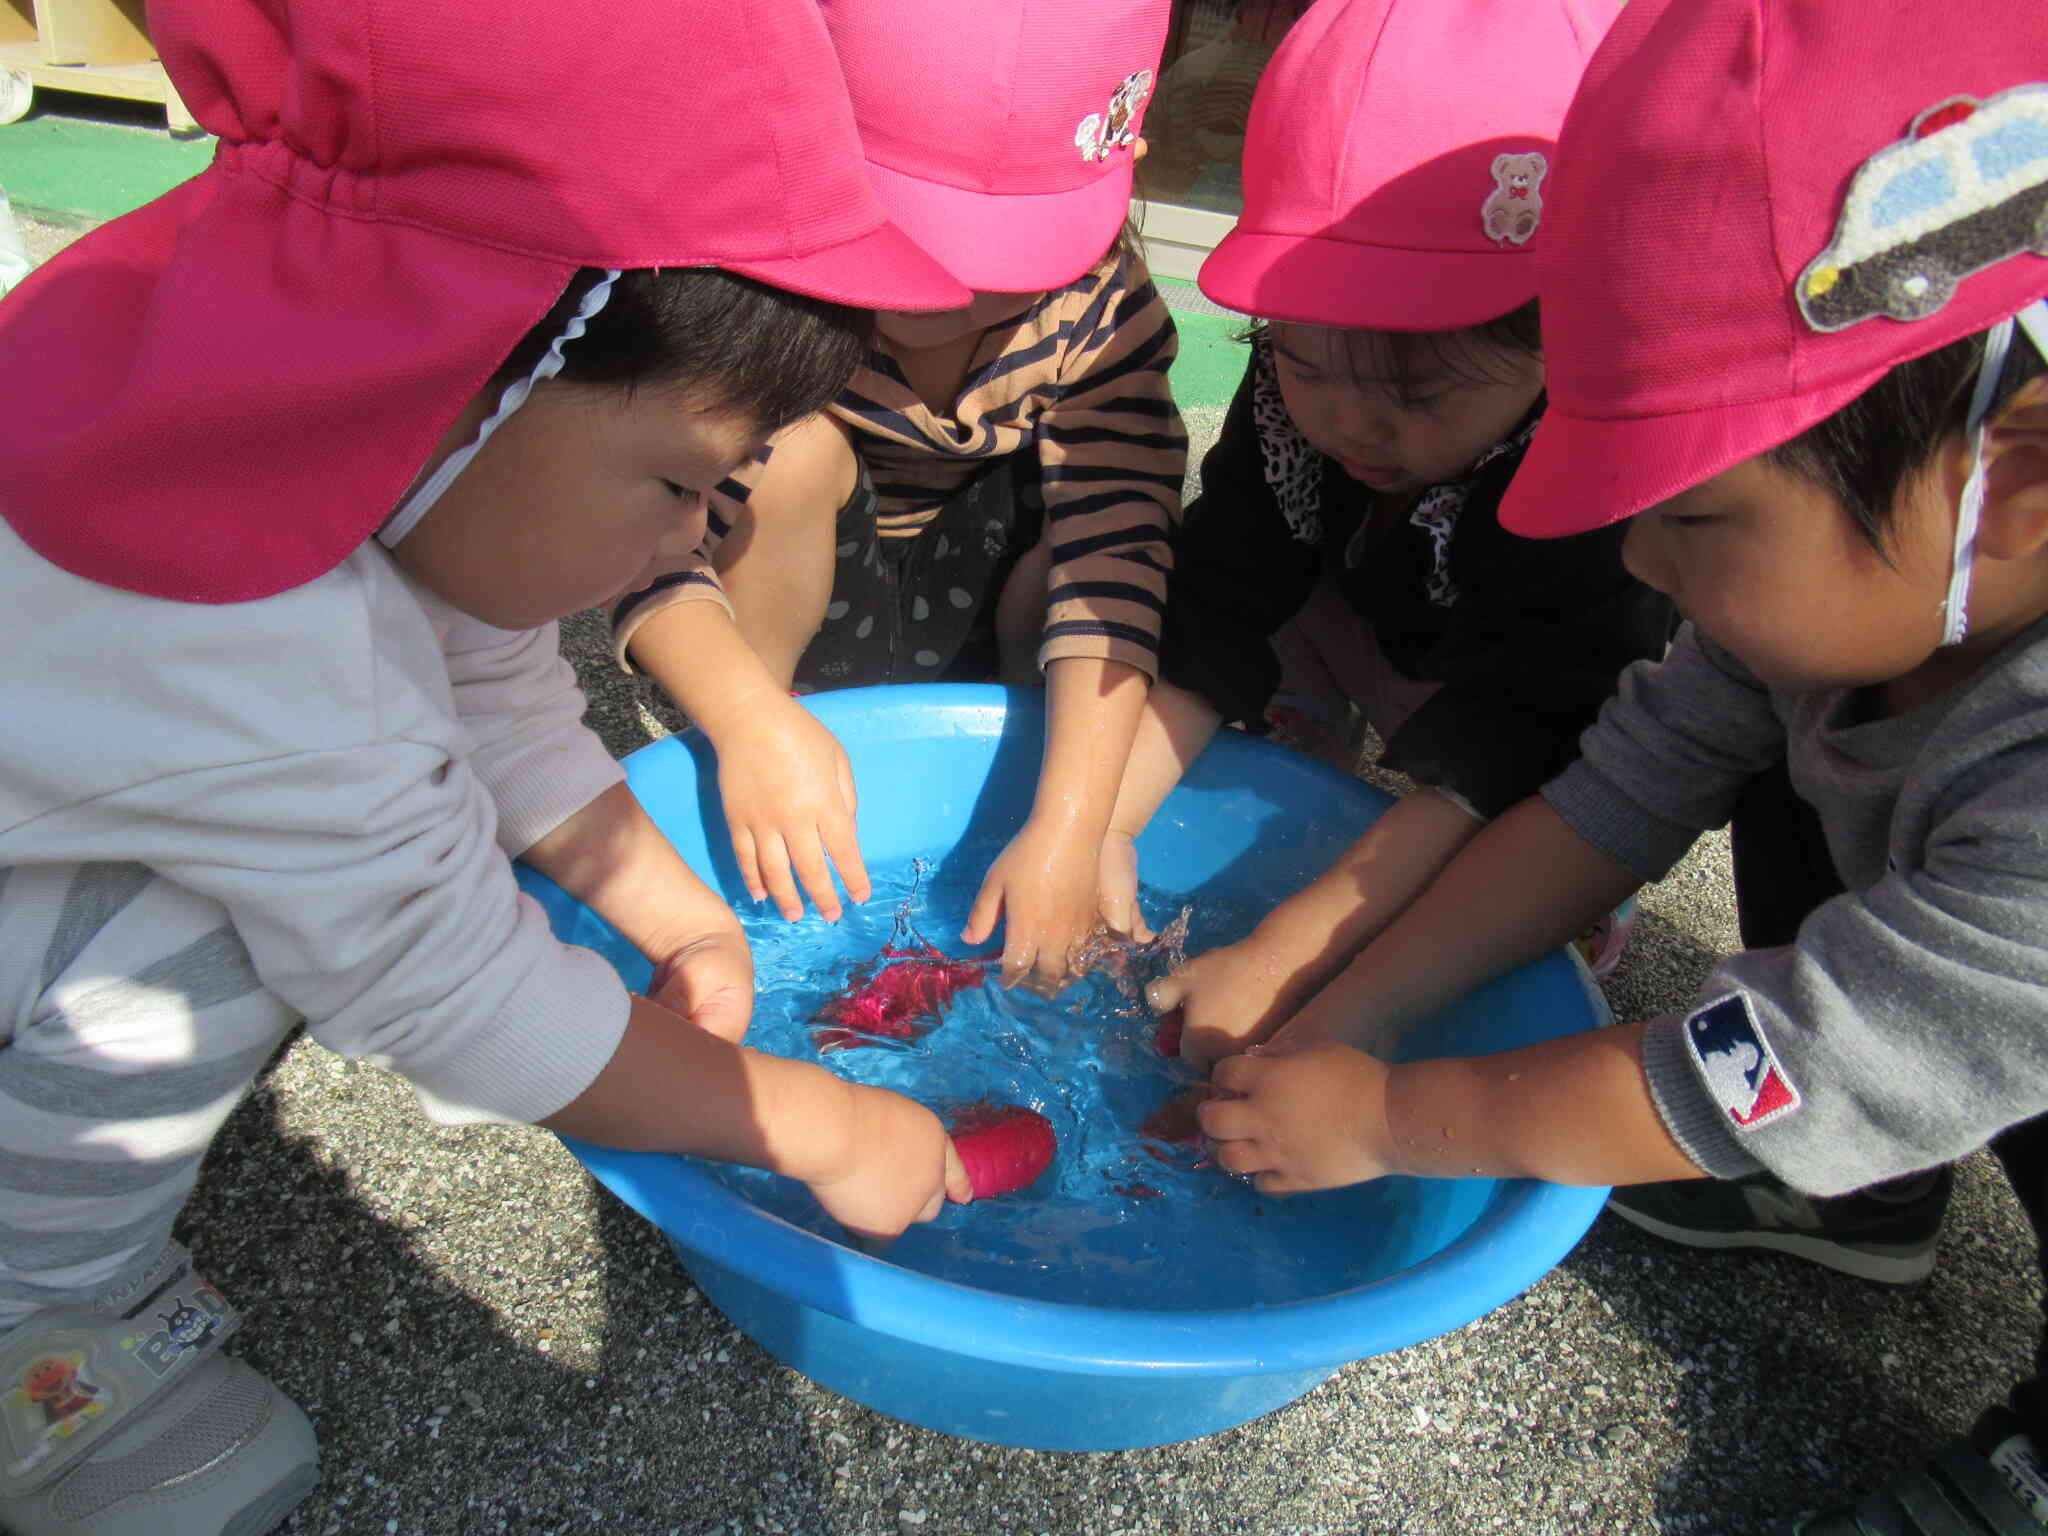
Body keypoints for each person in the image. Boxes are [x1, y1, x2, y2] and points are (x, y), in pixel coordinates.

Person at [0, 0, 982, 1530]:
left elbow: (496, 687)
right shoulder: (262, 657)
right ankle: (35, 1324)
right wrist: (825, 1126)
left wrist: (687, 924)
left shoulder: (229, 361)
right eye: (677, 483)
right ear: (455, 366)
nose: (689, 547)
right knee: (205, 942)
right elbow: (453, 992)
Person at [1180, 0, 2048, 1528]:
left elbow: (1794, 1061)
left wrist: (1388, 1118)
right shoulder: (1872, 584)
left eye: (1692, 515)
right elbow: (1608, 797)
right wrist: (1344, 1005)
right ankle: (1865, 1197)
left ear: (2019, 488)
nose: (1635, 552)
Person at [611, 0, 1187, 994]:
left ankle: (1008, 757)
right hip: (811, 594)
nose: (951, 291)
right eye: (915, 240)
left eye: (1010, 263)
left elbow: (1118, 559)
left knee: (1083, 534)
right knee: (788, 452)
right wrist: (747, 722)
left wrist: (1067, 825)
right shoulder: (766, 287)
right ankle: (774, 728)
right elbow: (639, 535)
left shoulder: (1100, 307)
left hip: (983, 617)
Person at [1104, 0, 1669, 998]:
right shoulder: (1306, 392)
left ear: (1563, 337)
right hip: (1364, 600)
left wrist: (1289, 950)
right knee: (1270, 711)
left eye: (1416, 394)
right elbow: (1225, 590)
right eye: (1301, 362)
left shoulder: (1600, 472)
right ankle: (1304, 811)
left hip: (1525, 677)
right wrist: (1103, 833)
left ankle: (1555, 891)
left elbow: (1528, 713)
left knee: (1521, 835)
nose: (1351, 426)